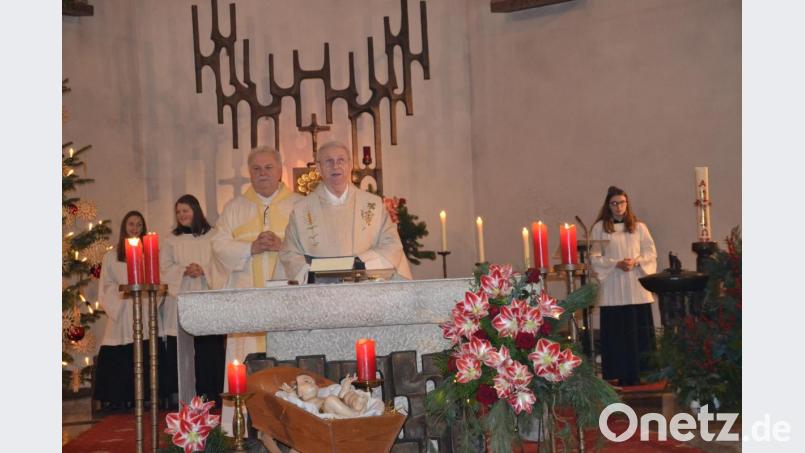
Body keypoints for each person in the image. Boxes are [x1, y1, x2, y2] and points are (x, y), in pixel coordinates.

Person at [212, 146, 301, 431]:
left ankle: (296, 428)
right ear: (250, 173)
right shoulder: (234, 209)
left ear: (280, 170)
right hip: (248, 304)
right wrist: (250, 247)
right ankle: (240, 430)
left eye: (268, 168)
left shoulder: (299, 205)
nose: (263, 173)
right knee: (244, 364)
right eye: (256, 169)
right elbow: (218, 245)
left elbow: (314, 248)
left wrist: (283, 246)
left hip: (286, 303)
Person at [279, 141, 412, 281]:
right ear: (318, 167)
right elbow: (289, 253)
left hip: (365, 288)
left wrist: (361, 265)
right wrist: (313, 274)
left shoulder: (373, 204)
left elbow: (391, 245)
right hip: (320, 291)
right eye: (329, 161)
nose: (335, 166)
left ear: (349, 165)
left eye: (341, 160)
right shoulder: (301, 210)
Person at [589, 186, 658, 386]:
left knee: (638, 331)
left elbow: (651, 253)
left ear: (627, 204)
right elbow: (594, 257)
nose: (619, 207)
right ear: (608, 206)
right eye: (614, 203)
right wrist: (615, 263)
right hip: (613, 288)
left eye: (622, 202)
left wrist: (636, 262)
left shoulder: (639, 227)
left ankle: (642, 372)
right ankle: (618, 372)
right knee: (617, 333)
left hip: (635, 286)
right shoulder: (600, 228)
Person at [160, 194, 224, 407]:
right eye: (178, 212)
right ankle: (183, 396)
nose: (182, 215)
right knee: (181, 350)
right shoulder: (171, 240)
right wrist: (183, 271)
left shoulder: (213, 236)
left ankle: (211, 394)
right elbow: (164, 268)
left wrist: (204, 269)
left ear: (196, 211)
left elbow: (222, 262)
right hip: (181, 298)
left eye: (185, 210)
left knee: (208, 349)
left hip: (206, 297)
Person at [95, 210, 158, 410]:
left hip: (142, 307)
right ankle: (118, 398)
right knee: (119, 355)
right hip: (121, 310)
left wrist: (143, 296)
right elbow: (106, 285)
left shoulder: (148, 254)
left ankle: (143, 396)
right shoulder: (112, 256)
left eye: (139, 225)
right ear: (124, 227)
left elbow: (155, 280)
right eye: (131, 224)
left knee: (143, 351)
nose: (135, 228)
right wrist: (123, 294)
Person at [280, 374, 369, 417]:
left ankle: (358, 404)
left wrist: (346, 385)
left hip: (342, 409)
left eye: (314, 382)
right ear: (299, 392)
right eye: (306, 381)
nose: (312, 382)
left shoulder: (322, 397)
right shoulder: (305, 403)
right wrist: (291, 393)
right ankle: (356, 414)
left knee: (348, 396)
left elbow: (340, 398)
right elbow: (296, 403)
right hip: (327, 413)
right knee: (330, 400)